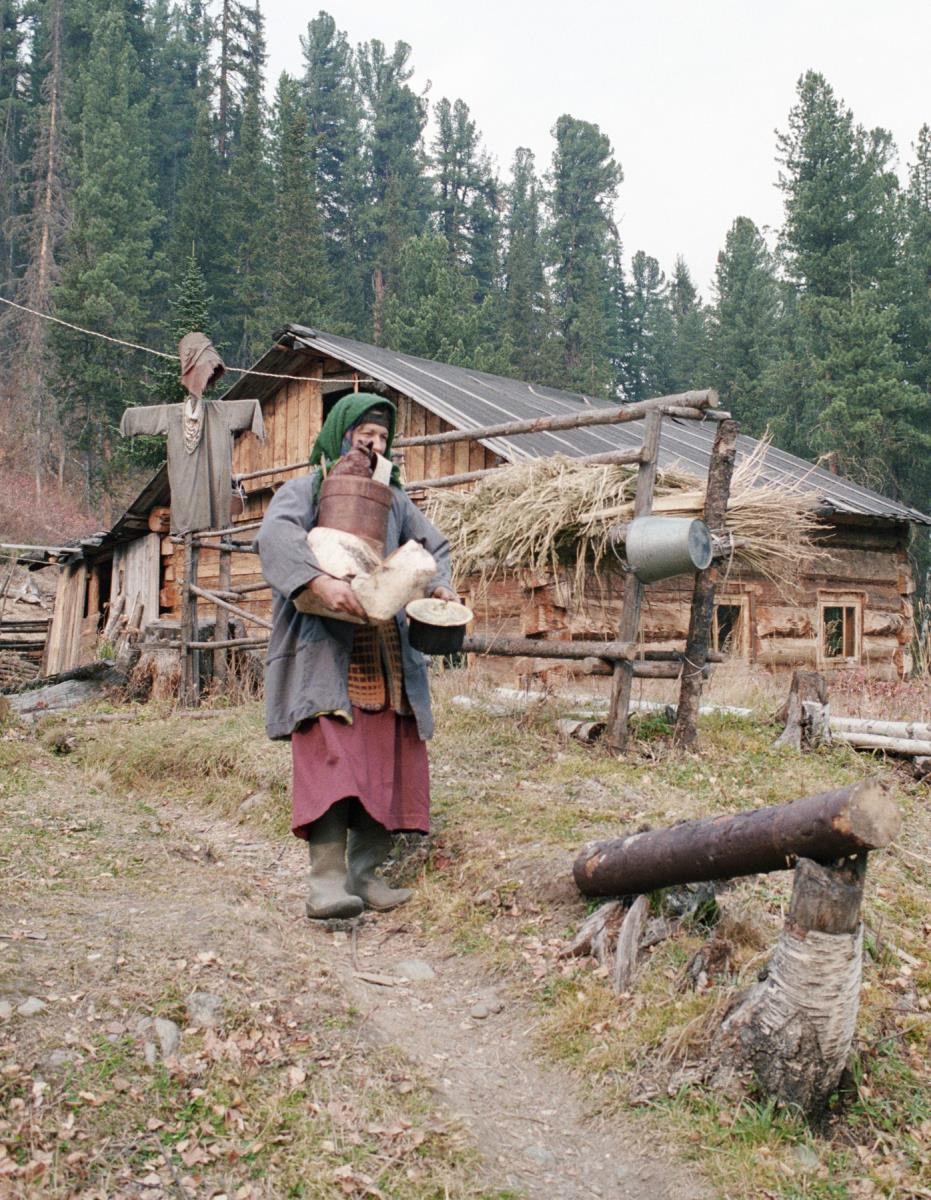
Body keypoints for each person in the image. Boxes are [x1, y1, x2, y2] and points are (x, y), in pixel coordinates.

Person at [255, 394, 456, 920]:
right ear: (340, 434)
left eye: (384, 438)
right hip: (324, 654)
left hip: (384, 654)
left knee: (382, 762)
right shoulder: (305, 491)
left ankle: (365, 876)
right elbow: (275, 538)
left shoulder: (396, 501)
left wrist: (439, 589)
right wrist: (319, 580)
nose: (374, 444)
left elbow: (434, 549)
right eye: (365, 433)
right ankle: (325, 884)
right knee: (332, 762)